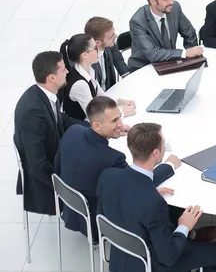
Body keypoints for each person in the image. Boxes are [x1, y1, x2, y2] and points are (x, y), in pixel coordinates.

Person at [97, 123, 216, 272]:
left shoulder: (108, 176)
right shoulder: (153, 204)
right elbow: (168, 257)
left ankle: (192, 236)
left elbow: (113, 204)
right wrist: (184, 226)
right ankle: (188, 235)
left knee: (173, 213)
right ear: (156, 153)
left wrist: (149, 192)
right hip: (155, 262)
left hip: (121, 252)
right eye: (163, 143)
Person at [55, 97, 180, 240]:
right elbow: (139, 183)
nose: (121, 124)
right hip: (97, 221)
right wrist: (168, 165)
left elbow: (58, 165)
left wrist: (117, 131)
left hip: (70, 206)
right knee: (157, 204)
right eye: (114, 121)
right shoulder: (112, 158)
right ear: (97, 126)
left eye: (119, 118)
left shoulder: (73, 131)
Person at [13, 51, 87, 216]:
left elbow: (62, 119)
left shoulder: (45, 94)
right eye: (63, 70)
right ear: (51, 77)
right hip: (45, 177)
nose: (67, 71)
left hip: (56, 155)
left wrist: (95, 129)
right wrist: (64, 189)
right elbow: (37, 165)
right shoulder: (32, 112)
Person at [129, 0, 203, 71]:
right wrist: (185, 53)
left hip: (169, 63)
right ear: (152, 1)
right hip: (145, 67)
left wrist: (192, 58)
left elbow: (189, 33)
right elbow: (153, 53)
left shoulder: (175, 8)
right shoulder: (137, 21)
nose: (171, 2)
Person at [59, 33, 135, 121]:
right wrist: (122, 113)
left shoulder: (89, 70)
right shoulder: (80, 84)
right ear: (84, 55)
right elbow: (95, 116)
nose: (98, 50)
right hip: (84, 126)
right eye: (95, 48)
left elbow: (101, 96)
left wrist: (121, 101)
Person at [84, 16, 130, 90]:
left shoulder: (109, 44)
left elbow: (118, 60)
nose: (115, 36)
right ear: (98, 42)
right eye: (111, 36)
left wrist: (127, 77)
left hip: (110, 89)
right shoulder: (86, 62)